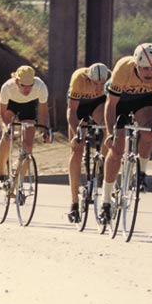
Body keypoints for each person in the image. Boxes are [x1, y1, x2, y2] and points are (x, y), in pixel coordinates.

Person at [99, 43, 152, 223]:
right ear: (136, 64)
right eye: (145, 68)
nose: (149, 73)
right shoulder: (124, 68)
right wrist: (110, 133)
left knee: (150, 131)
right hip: (119, 100)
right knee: (116, 150)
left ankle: (141, 173)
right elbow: (111, 105)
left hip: (142, 99)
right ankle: (105, 200)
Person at [66, 62, 110, 223]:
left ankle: (103, 163)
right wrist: (76, 131)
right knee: (76, 148)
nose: (99, 88)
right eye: (95, 84)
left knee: (107, 125)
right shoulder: (79, 78)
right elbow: (71, 110)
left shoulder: (110, 78)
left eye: (102, 84)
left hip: (98, 105)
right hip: (79, 107)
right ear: (88, 79)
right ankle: (74, 202)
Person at [0, 65, 52, 188]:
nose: (27, 89)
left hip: (28, 107)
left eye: (30, 85)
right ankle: (0, 175)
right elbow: (0, 113)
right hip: (11, 105)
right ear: (17, 81)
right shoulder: (8, 87)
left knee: (28, 146)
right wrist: (5, 128)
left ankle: (18, 181)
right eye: (23, 86)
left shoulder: (40, 86)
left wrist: (45, 130)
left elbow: (43, 113)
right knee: (6, 137)